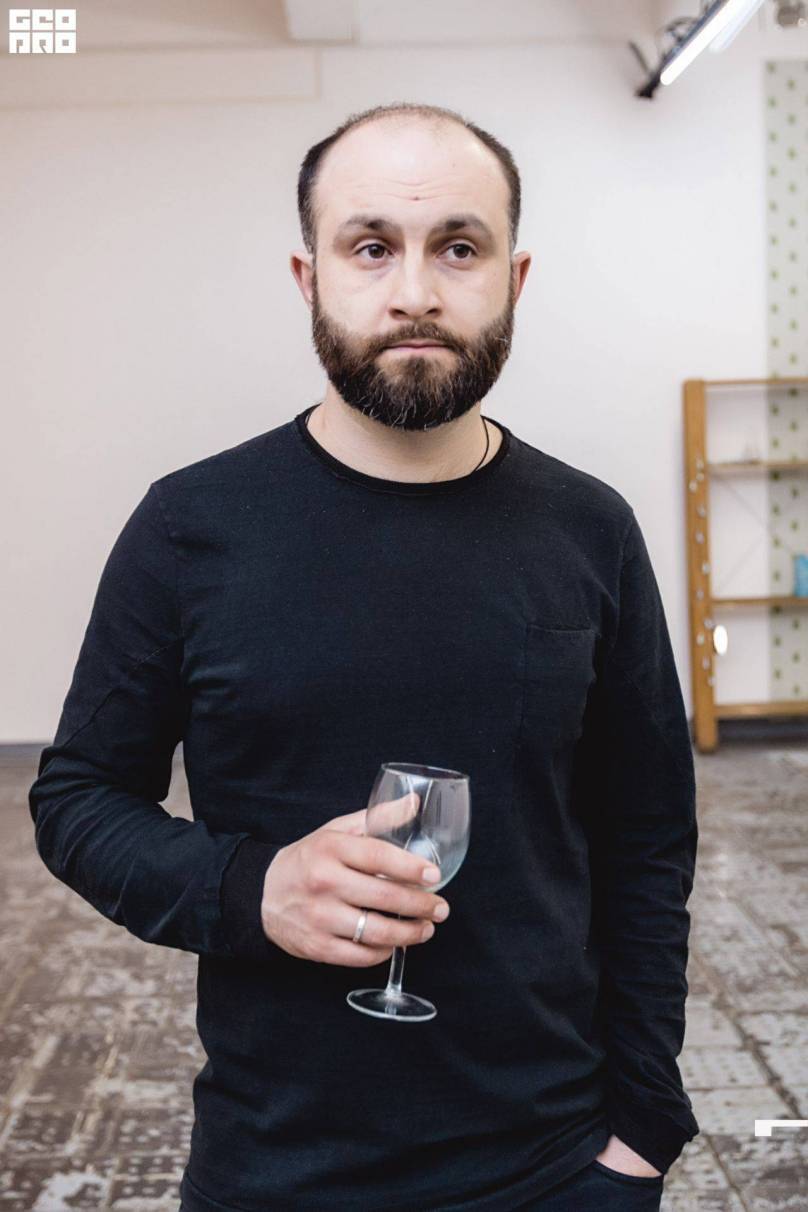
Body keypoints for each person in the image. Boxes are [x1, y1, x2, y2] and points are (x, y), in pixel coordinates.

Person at [29, 101, 699, 1211]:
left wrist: (642, 1131)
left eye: (459, 249)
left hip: (555, 1164)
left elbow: (648, 838)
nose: (416, 291)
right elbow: (78, 800)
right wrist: (252, 888)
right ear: (310, 278)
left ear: (515, 280)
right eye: (372, 247)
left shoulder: (591, 530)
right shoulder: (191, 527)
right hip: (277, 1165)